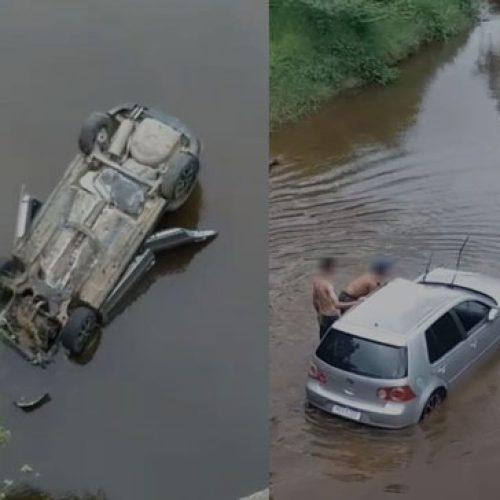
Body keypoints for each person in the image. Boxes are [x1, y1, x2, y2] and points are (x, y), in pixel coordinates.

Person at [312, 258, 358, 340]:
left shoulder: (316, 280)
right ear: (330, 268)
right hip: (331, 317)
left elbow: (315, 300)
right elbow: (337, 305)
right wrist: (357, 302)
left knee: (323, 339)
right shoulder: (328, 285)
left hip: (322, 316)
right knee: (337, 339)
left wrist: (318, 314)